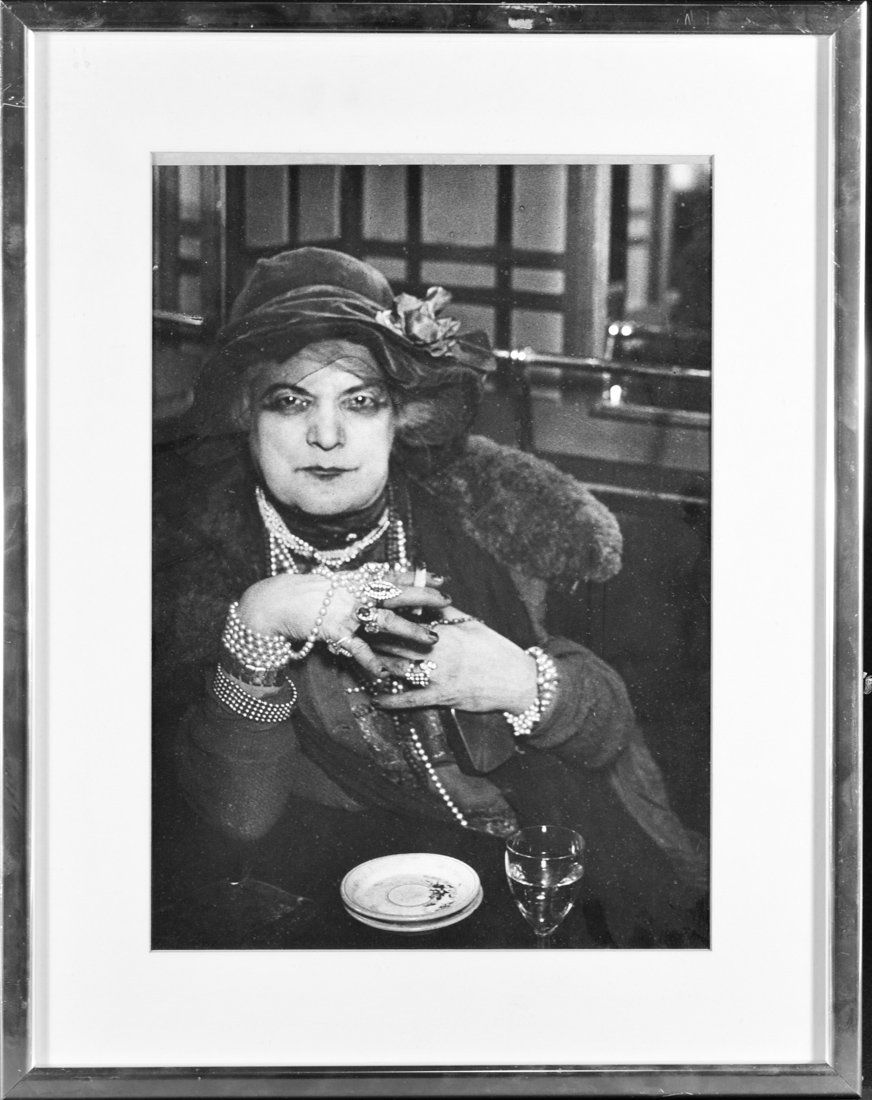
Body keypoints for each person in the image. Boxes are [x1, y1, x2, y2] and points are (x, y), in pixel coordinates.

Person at [153, 247, 707, 947]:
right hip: (360, 879)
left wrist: (520, 682)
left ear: (400, 420)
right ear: (247, 418)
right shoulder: (190, 561)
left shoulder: (487, 519)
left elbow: (612, 731)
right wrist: (258, 624)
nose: (326, 436)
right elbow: (236, 819)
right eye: (291, 402)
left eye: (360, 402)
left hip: (549, 855)